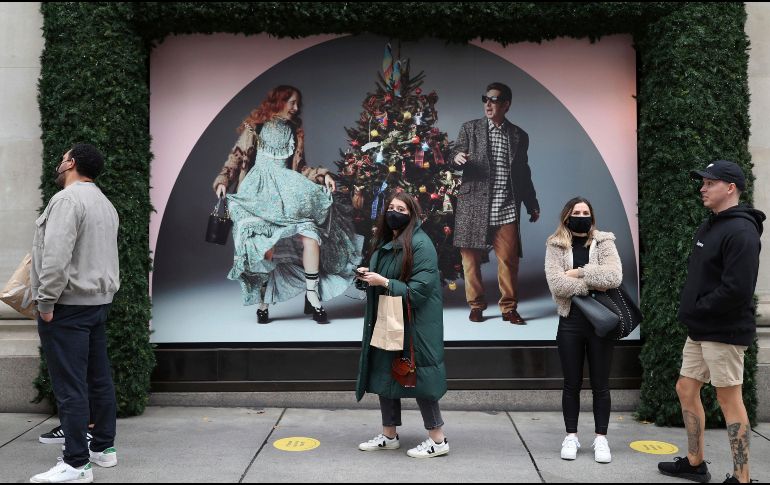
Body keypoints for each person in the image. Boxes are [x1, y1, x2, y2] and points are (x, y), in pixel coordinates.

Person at [213, 85, 361, 324]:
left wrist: (323, 176)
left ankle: (313, 296)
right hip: (258, 194)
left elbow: (301, 167)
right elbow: (237, 157)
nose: (296, 107)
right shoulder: (256, 127)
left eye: (297, 103)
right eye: (292, 102)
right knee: (266, 244)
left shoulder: (295, 131)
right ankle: (263, 301)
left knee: (311, 235)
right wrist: (223, 179)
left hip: (288, 194)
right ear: (278, 102)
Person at [658, 160, 764, 484]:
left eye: (709, 183)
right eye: (702, 183)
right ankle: (695, 463)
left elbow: (737, 290)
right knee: (685, 387)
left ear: (730, 188)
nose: (702, 188)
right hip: (702, 328)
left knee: (728, 399)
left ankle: (742, 478)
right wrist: (694, 311)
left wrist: (700, 308)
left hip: (725, 332)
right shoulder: (711, 225)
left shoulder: (742, 232)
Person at [30, 143, 120, 483]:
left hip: (67, 307)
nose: (59, 162)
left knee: (70, 387)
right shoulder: (104, 203)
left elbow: (55, 257)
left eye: (62, 157)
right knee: (99, 379)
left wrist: (46, 303)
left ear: (70, 163)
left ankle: (77, 463)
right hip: (97, 304)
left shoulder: (66, 200)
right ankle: (103, 450)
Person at [355, 193, 449, 458]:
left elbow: (419, 290)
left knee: (422, 379)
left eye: (401, 209)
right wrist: (369, 275)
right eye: (391, 208)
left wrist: (383, 282)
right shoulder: (388, 240)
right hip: (392, 317)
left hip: (416, 324)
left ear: (412, 214)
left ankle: (438, 441)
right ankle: (389, 435)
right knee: (386, 372)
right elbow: (389, 276)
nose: (394, 212)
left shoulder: (421, 244)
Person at [450, 82, 540, 324]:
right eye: (485, 99)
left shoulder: (519, 136)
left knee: (509, 262)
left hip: (506, 206)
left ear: (506, 105)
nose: (488, 104)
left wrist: (531, 203)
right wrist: (456, 158)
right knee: (470, 261)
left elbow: (523, 172)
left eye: (494, 99)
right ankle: (476, 305)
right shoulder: (470, 129)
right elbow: (453, 153)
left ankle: (509, 308)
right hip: (474, 207)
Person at [544, 197, 622, 464]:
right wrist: (591, 283)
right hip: (571, 322)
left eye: (585, 212)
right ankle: (571, 436)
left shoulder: (604, 241)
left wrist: (577, 273)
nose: (580, 215)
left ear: (592, 216)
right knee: (571, 384)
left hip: (601, 323)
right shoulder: (555, 244)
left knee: (601, 385)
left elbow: (614, 277)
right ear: (567, 216)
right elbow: (556, 285)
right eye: (576, 212)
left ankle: (601, 438)